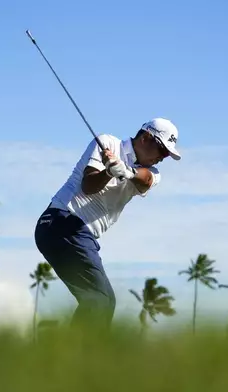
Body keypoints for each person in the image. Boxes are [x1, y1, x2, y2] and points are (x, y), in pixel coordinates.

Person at [33, 117, 181, 333]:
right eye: (163, 151)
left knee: (99, 300)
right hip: (62, 222)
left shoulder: (153, 172)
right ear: (147, 138)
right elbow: (89, 185)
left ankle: (68, 357)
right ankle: (76, 358)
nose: (163, 158)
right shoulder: (107, 143)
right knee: (100, 299)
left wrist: (127, 171)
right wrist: (108, 171)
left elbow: (145, 180)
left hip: (76, 234)